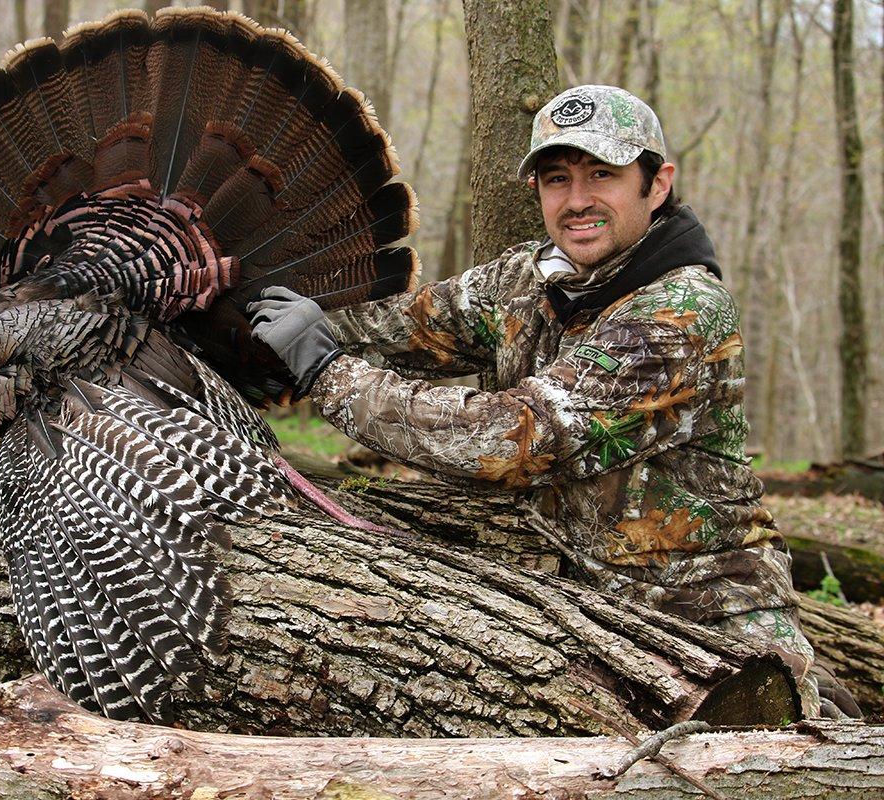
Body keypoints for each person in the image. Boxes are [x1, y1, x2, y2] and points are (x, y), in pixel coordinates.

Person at [249, 84, 857, 719]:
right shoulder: (536, 278)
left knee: (764, 754)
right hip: (581, 595)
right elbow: (413, 322)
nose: (577, 200)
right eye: (556, 178)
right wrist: (269, 319)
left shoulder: (680, 313)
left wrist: (325, 371)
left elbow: (511, 440)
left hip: (706, 615)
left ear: (658, 183)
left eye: (603, 174)